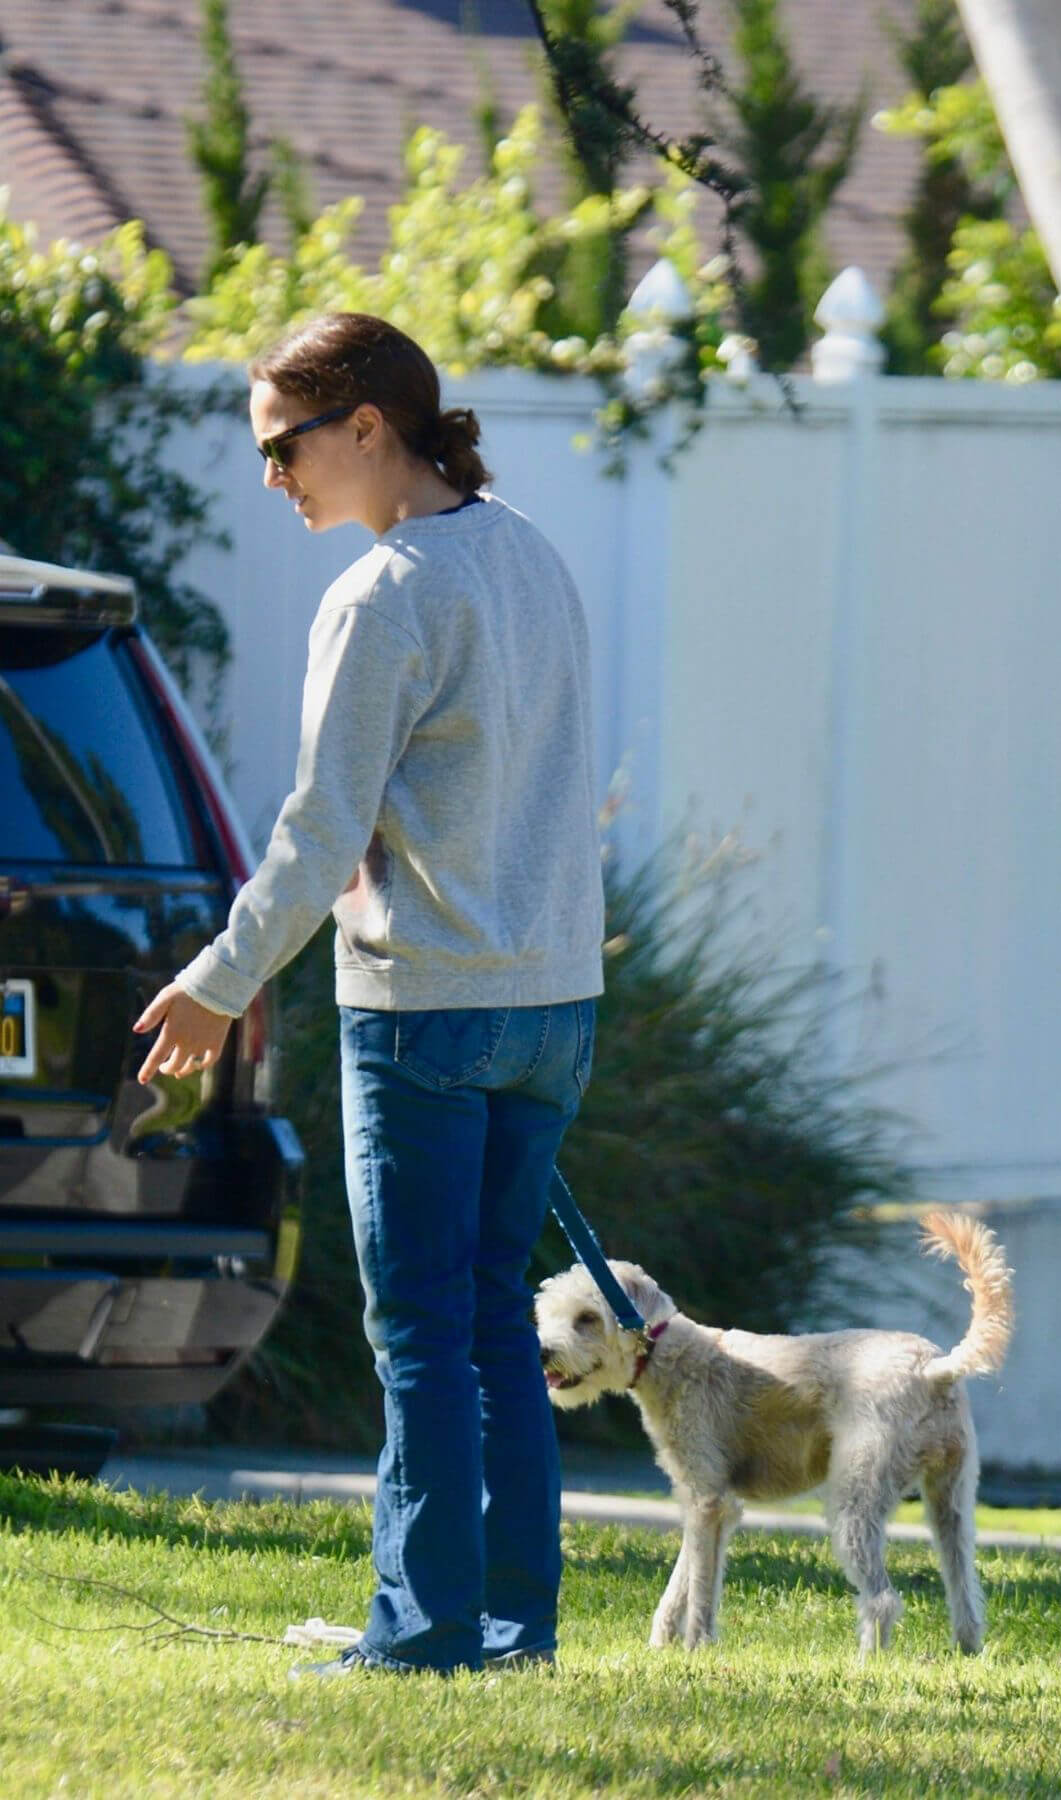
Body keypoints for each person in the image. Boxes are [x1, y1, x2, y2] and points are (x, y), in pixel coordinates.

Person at [133, 312, 605, 1677]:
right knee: (490, 1325)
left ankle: (420, 1632)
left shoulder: (384, 593)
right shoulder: (531, 555)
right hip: (553, 1009)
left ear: (365, 428)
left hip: (428, 1013)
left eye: (284, 448)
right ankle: (513, 1629)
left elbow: (318, 830)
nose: (272, 480)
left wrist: (218, 985)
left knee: (417, 1330)